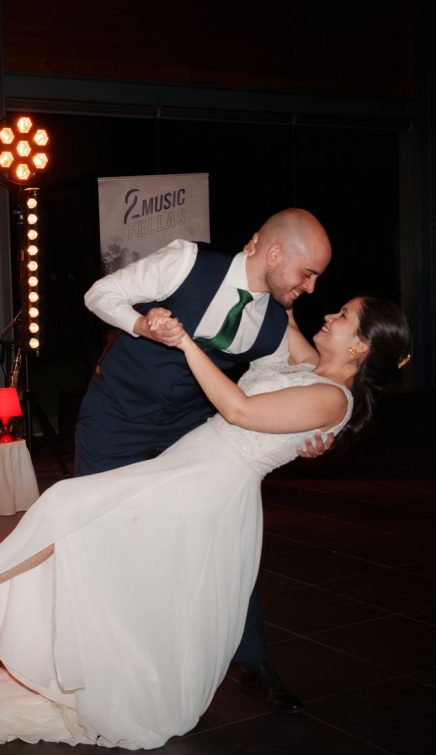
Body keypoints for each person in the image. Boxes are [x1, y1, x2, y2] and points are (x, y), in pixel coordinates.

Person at [0, 296, 411, 755]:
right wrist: (275, 275)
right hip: (189, 466)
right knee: (104, 549)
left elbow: (240, 408)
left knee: (71, 506)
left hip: (209, 487)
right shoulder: (313, 368)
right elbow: (283, 306)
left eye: (344, 315)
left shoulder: (333, 399)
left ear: (362, 345)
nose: (330, 314)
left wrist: (185, 343)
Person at [76, 208, 333, 713]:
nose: (310, 287)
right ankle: (91, 653)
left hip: (189, 427)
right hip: (117, 415)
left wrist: (311, 432)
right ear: (274, 253)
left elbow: (299, 383)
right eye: (307, 274)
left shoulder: (273, 322)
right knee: (91, 527)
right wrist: (141, 325)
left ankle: (252, 661)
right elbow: (99, 294)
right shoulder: (187, 261)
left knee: (221, 535)